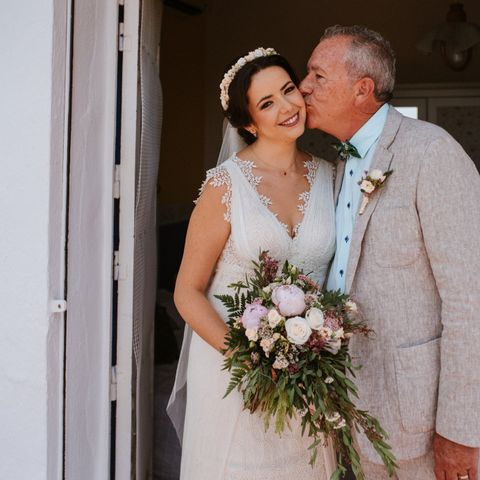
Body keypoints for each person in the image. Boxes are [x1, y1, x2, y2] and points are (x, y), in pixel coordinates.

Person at [299, 26, 480, 480]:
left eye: (317, 75)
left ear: (362, 89)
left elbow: (473, 301)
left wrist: (460, 430)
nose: (303, 85)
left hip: (422, 424)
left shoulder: (432, 153)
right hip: (348, 414)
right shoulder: (334, 166)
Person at [167, 48, 337, 480]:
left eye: (287, 90)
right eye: (267, 104)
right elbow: (187, 292)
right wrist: (249, 363)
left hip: (307, 377)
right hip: (236, 376)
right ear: (247, 123)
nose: (286, 107)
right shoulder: (224, 186)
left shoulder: (332, 176)